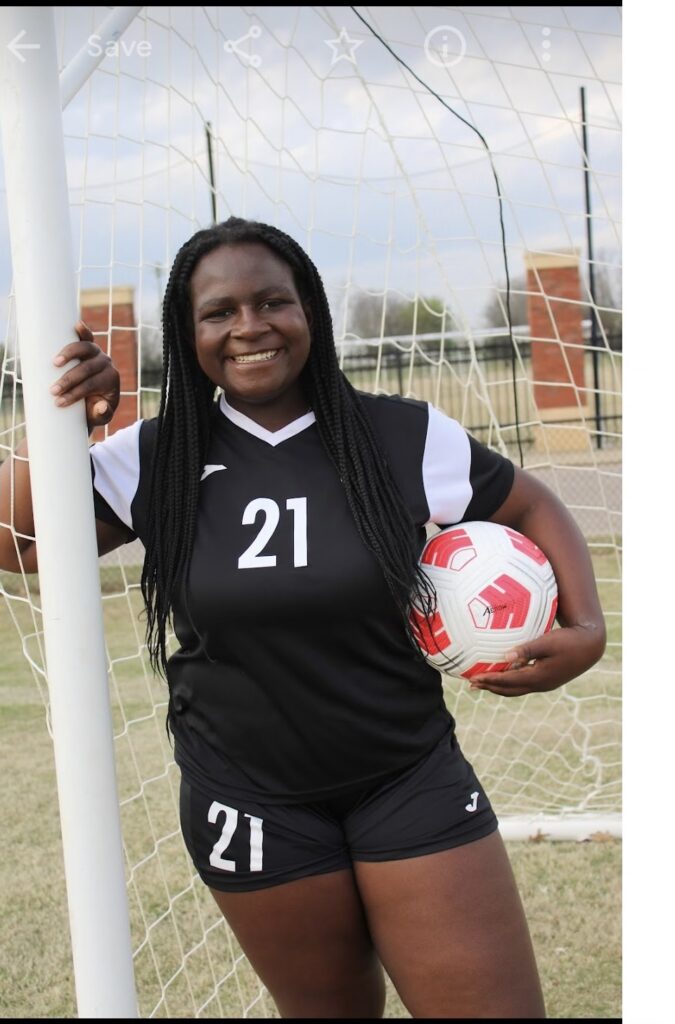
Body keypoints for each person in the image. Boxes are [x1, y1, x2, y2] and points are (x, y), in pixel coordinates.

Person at [0, 217, 606, 1019]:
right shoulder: (156, 455)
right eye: (219, 312)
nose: (249, 327)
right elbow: (15, 541)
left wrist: (587, 626)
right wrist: (62, 424)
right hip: (248, 803)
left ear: (308, 312)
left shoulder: (400, 435)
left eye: (271, 302)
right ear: (189, 334)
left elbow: (528, 501)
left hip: (406, 776)